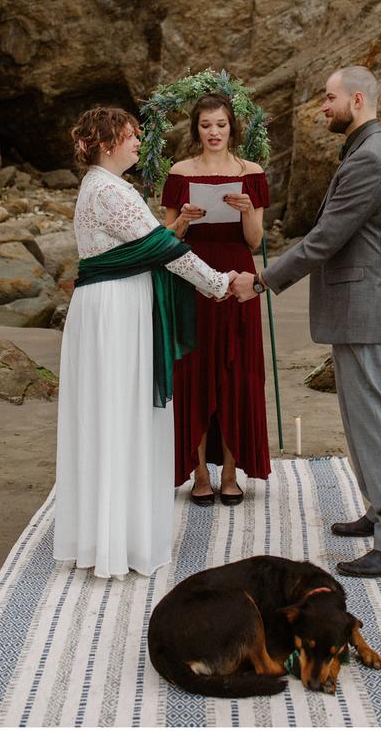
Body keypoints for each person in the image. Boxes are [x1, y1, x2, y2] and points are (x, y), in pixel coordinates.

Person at [231, 66, 381, 579]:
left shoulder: (371, 157)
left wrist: (262, 280)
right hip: (357, 306)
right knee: (360, 419)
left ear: (357, 100)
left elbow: (326, 237)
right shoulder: (363, 150)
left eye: (330, 97)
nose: (323, 106)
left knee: (374, 421)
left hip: (365, 306)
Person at [54, 106, 236, 578]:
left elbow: (148, 244)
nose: (139, 141)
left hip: (108, 305)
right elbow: (164, 250)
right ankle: (121, 541)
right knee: (122, 412)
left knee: (107, 415)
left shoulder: (100, 185)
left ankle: (104, 534)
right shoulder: (111, 190)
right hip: (115, 311)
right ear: (106, 143)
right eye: (131, 135)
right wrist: (219, 283)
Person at [162, 93, 272, 506]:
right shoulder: (180, 172)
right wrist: (183, 220)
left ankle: (229, 473)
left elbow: (255, 241)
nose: (214, 132)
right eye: (206, 125)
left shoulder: (252, 173)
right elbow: (166, 240)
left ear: (232, 128)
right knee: (193, 373)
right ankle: (199, 474)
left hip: (237, 281)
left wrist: (246, 210)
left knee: (237, 373)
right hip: (191, 278)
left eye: (221, 125)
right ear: (196, 129)